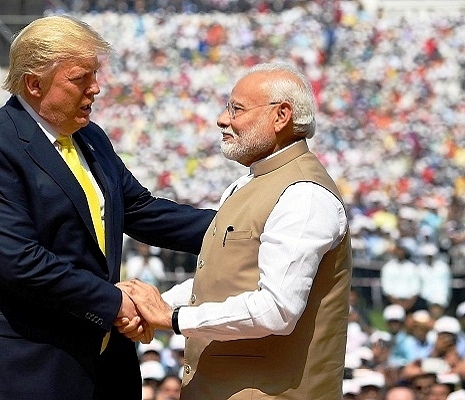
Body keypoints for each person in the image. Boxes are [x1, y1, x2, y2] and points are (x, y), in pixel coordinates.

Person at [0, 15, 214, 400]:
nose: (96, 89)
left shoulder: (90, 137)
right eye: (81, 78)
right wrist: (115, 302)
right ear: (35, 84)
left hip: (89, 363)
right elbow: (20, 262)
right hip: (14, 368)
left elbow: (141, 210)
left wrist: (238, 230)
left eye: (95, 75)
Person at [118, 61, 352, 399]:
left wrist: (172, 317)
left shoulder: (304, 194)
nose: (222, 119)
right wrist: (149, 307)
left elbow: (276, 310)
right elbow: (223, 280)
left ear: (281, 115)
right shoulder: (249, 183)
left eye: (236, 109)